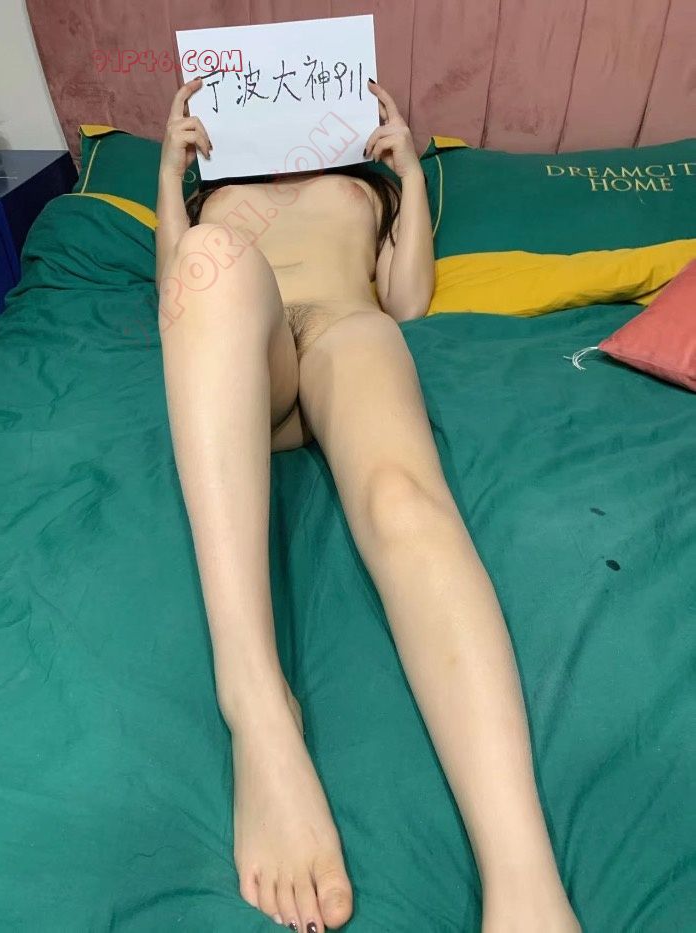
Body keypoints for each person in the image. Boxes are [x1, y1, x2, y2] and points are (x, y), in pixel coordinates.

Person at [155, 75, 581, 933]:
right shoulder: (218, 182)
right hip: (246, 349)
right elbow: (175, 291)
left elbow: (409, 298)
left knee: (402, 497)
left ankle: (524, 879)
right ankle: (258, 710)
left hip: (345, 331)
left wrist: (409, 172)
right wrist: (171, 173)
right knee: (210, 259)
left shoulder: (368, 180)